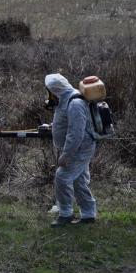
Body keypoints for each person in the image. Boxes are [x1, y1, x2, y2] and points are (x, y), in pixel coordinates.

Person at [45, 73, 97, 227]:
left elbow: (76, 133)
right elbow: (66, 121)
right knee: (79, 181)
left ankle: (65, 214)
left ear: (55, 90)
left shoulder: (74, 103)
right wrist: (52, 127)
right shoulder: (65, 99)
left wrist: (66, 155)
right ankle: (88, 214)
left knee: (62, 176)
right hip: (78, 148)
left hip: (80, 148)